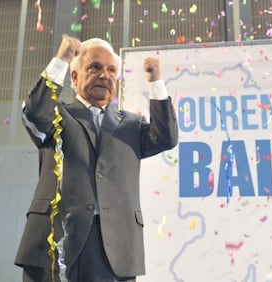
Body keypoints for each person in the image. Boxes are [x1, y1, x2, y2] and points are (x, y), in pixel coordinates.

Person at [14, 34, 179, 282]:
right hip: (55, 242)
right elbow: (35, 112)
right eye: (95, 67)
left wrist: (155, 79)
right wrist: (62, 57)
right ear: (74, 76)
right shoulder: (57, 116)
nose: (105, 75)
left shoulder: (131, 124)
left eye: (112, 70)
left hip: (114, 250)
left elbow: (166, 137)